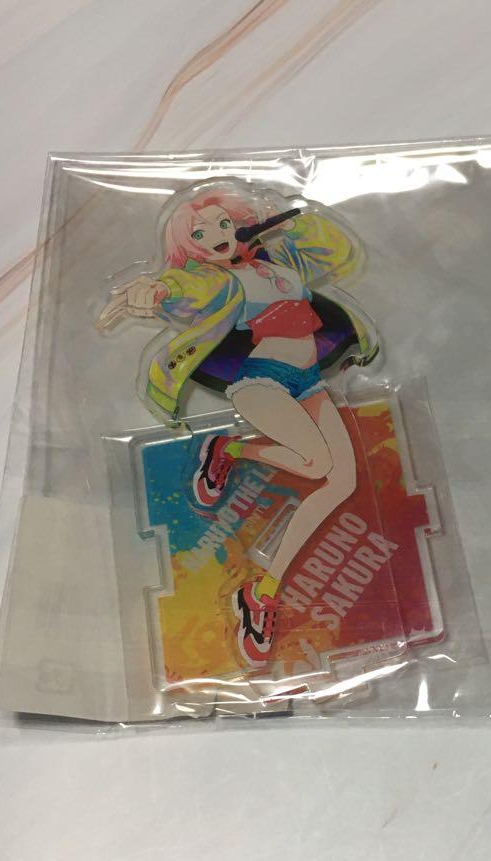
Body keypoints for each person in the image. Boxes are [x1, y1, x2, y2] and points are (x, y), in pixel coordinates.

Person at [100, 186, 377, 666]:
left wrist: (294, 220)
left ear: (240, 224)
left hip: (309, 383)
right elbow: (185, 291)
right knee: (316, 464)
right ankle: (227, 450)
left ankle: (263, 592)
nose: (217, 236)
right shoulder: (218, 281)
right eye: (200, 234)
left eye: (223, 224)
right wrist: (158, 289)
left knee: (342, 482)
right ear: (190, 248)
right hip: (261, 382)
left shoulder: (280, 262)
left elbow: (336, 251)